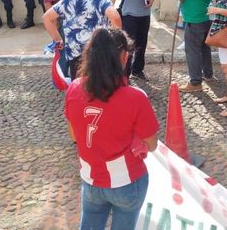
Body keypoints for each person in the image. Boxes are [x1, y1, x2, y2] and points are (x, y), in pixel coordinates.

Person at [65, 27, 159, 229]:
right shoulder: (136, 97)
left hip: (91, 180)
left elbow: (74, 135)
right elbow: (151, 145)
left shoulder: (73, 88)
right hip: (127, 181)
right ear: (124, 57)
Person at [43, 0, 121, 78]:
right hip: (98, 52)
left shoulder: (68, 0)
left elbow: (46, 18)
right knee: (99, 87)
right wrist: (116, 38)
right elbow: (115, 17)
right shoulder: (101, 1)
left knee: (78, 86)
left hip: (74, 53)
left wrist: (58, 39)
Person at [174, 0, 215, 93]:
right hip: (204, 14)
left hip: (194, 17)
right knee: (204, 47)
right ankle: (208, 74)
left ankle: (196, 81)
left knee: (192, 50)